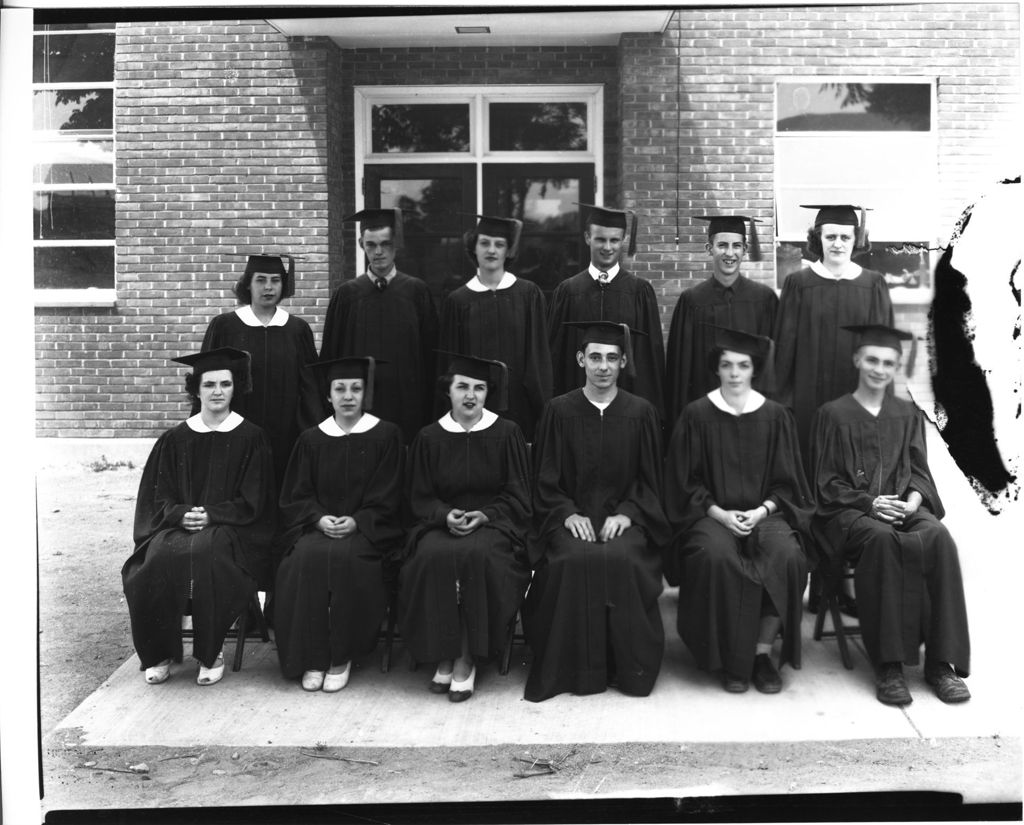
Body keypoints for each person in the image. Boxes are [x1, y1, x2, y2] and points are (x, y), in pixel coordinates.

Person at [810, 324, 971, 707]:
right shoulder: (832, 414)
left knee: (938, 538)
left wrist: (914, 502)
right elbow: (824, 483)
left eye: (887, 362)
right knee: (882, 541)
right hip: (850, 514)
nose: (879, 369)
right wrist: (870, 504)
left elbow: (919, 471)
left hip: (903, 506)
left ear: (896, 366)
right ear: (857, 361)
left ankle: (939, 664)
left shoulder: (907, 413)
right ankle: (890, 666)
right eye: (872, 360)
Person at [524, 321, 670, 702]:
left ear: (623, 362)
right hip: (570, 519)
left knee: (623, 559)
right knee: (572, 559)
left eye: (611, 358)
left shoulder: (641, 413)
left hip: (626, 521)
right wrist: (567, 513)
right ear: (580, 360)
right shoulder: (559, 411)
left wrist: (629, 513)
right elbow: (545, 479)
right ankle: (575, 673)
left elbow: (651, 480)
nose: (602, 366)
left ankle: (629, 671)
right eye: (595, 358)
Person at [664, 327, 813, 694]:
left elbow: (789, 483)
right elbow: (684, 483)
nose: (734, 373)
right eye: (727, 365)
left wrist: (762, 511)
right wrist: (721, 515)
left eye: (742, 365)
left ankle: (760, 655)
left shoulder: (776, 416)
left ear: (753, 370)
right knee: (714, 557)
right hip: (711, 516)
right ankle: (730, 658)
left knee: (787, 556)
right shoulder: (697, 415)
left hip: (767, 515)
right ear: (716, 369)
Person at [122, 347, 274, 687]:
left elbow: (254, 501)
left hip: (232, 529)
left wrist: (211, 515)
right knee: (155, 557)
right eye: (209, 385)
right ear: (196, 389)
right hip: (179, 525)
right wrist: (180, 515)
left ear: (236, 387)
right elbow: (159, 497)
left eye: (225, 383)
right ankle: (159, 652)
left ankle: (210, 651)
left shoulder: (251, 437)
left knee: (208, 553)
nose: (217, 391)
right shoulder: (175, 439)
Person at [399, 353, 532, 702]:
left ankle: (465, 658)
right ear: (450, 392)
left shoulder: (507, 433)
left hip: (496, 527)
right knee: (431, 554)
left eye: (479, 388)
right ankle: (444, 653)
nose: (470, 395)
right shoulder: (430, 437)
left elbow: (518, 495)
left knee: (476, 555)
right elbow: (419, 497)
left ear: (488, 393)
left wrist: (486, 515)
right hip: (440, 525)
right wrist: (444, 515)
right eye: (462, 387)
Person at [273, 357, 404, 692]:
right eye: (340, 389)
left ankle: (340, 657)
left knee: (349, 560)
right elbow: (295, 495)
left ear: (365, 394)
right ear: (328, 396)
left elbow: (391, 495)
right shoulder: (311, 439)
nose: (348, 396)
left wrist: (358, 521)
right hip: (317, 528)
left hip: (367, 532)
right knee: (304, 559)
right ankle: (312, 657)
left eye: (356, 389)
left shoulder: (386, 435)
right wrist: (317, 518)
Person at [773, 205, 893, 464]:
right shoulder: (798, 284)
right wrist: (784, 402)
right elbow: (785, 349)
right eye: (830, 237)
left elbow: (883, 348)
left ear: (856, 239)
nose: (838, 244)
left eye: (845, 237)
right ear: (818, 239)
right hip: (808, 399)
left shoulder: (873, 284)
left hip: (856, 394)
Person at [198, 253, 321, 495]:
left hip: (286, 433)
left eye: (275, 280)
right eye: (260, 280)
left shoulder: (297, 329)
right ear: (247, 284)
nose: (268, 287)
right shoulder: (224, 326)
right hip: (236, 429)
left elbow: (310, 388)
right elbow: (205, 381)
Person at [320, 208, 439, 444]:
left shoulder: (416, 292)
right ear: (361, 243)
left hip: (408, 404)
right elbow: (331, 355)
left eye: (385, 244)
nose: (378, 251)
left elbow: (432, 357)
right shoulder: (347, 295)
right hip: (358, 405)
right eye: (371, 244)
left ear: (396, 245)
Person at [547, 205, 666, 422]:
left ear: (624, 240)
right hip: (575, 414)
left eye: (615, 240)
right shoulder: (568, 291)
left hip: (628, 415)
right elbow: (555, 356)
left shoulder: (640, 291)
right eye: (600, 239)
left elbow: (651, 361)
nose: (608, 247)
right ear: (587, 238)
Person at [439, 215, 552, 442]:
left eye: (499, 244)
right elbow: (451, 366)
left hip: (521, 408)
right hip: (472, 408)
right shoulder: (458, 301)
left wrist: (541, 410)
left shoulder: (528, 294)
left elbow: (538, 360)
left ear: (508, 250)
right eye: (485, 243)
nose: (492, 250)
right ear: (474, 248)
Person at [665, 215, 778, 429]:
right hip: (704, 419)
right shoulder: (692, 301)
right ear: (709, 248)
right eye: (722, 245)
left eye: (736, 246)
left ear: (745, 249)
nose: (729, 253)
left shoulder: (764, 299)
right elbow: (679, 372)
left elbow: (774, 366)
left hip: (754, 419)